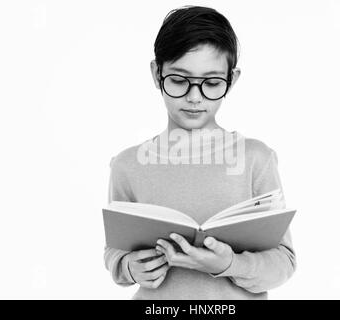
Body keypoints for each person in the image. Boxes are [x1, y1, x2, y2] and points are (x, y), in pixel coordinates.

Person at [104, 5, 296, 300]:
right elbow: (115, 253)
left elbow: (284, 262)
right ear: (157, 74)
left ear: (232, 80)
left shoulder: (256, 159)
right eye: (179, 80)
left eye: (212, 83)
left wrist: (230, 264)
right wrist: (129, 267)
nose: (195, 97)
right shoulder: (127, 165)